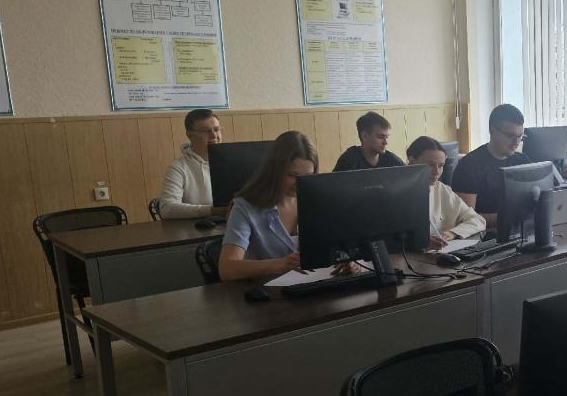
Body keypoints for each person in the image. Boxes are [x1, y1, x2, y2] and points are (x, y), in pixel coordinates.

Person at [218, 131, 318, 281]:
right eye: (292, 175)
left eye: (307, 176)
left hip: (311, 285)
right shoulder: (245, 207)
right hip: (263, 289)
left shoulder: (316, 200)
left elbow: (334, 248)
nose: (299, 183)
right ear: (275, 170)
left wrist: (345, 261)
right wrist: (279, 264)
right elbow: (227, 269)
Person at [451, 103, 531, 228]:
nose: (516, 142)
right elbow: (466, 218)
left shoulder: (523, 161)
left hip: (521, 231)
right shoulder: (469, 166)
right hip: (485, 234)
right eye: (510, 136)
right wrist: (509, 216)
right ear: (492, 130)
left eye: (520, 136)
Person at [406, 136, 486, 250]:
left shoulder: (442, 190)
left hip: (441, 254)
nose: (436, 172)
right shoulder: (395, 193)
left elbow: (478, 220)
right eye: (430, 165)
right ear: (412, 161)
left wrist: (452, 233)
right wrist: (418, 241)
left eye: (441, 166)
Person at [159, 109, 220, 219]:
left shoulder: (234, 161)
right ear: (190, 135)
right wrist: (212, 210)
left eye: (216, 129)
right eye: (205, 131)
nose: (213, 135)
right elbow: (167, 208)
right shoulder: (178, 168)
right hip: (198, 227)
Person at [333, 111, 405, 171]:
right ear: (365, 136)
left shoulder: (392, 160)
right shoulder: (349, 159)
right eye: (380, 137)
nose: (386, 143)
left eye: (387, 137)